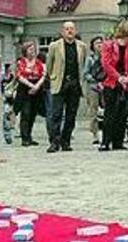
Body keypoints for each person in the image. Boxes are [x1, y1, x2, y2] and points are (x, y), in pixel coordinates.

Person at [45, 21, 87, 153]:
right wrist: (53, 77)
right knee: (56, 114)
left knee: (71, 115)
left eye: (72, 29)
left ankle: (66, 141)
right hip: (59, 83)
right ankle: (54, 142)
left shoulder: (82, 46)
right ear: (63, 31)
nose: (69, 31)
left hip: (74, 84)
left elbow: (82, 63)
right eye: (67, 29)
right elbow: (49, 64)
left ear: (75, 31)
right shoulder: (54, 46)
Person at [99, 20, 128, 151]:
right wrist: (119, 77)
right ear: (126, 31)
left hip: (126, 83)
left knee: (123, 113)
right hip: (111, 82)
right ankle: (105, 141)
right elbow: (106, 64)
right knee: (109, 113)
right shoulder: (108, 45)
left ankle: (118, 141)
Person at [15, 41, 46, 147]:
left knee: (33, 113)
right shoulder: (21, 62)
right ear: (25, 51)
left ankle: (29, 135)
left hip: (37, 88)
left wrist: (37, 86)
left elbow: (44, 75)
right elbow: (19, 76)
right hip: (24, 88)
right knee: (25, 113)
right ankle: (24, 137)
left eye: (34, 49)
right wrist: (30, 86)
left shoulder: (39, 62)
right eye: (30, 49)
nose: (32, 51)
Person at [83, 36, 104, 145]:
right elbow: (85, 73)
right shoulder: (90, 59)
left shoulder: (106, 57)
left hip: (104, 86)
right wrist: (95, 80)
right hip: (93, 87)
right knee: (93, 110)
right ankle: (95, 134)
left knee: (106, 110)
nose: (100, 45)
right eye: (97, 43)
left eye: (101, 43)